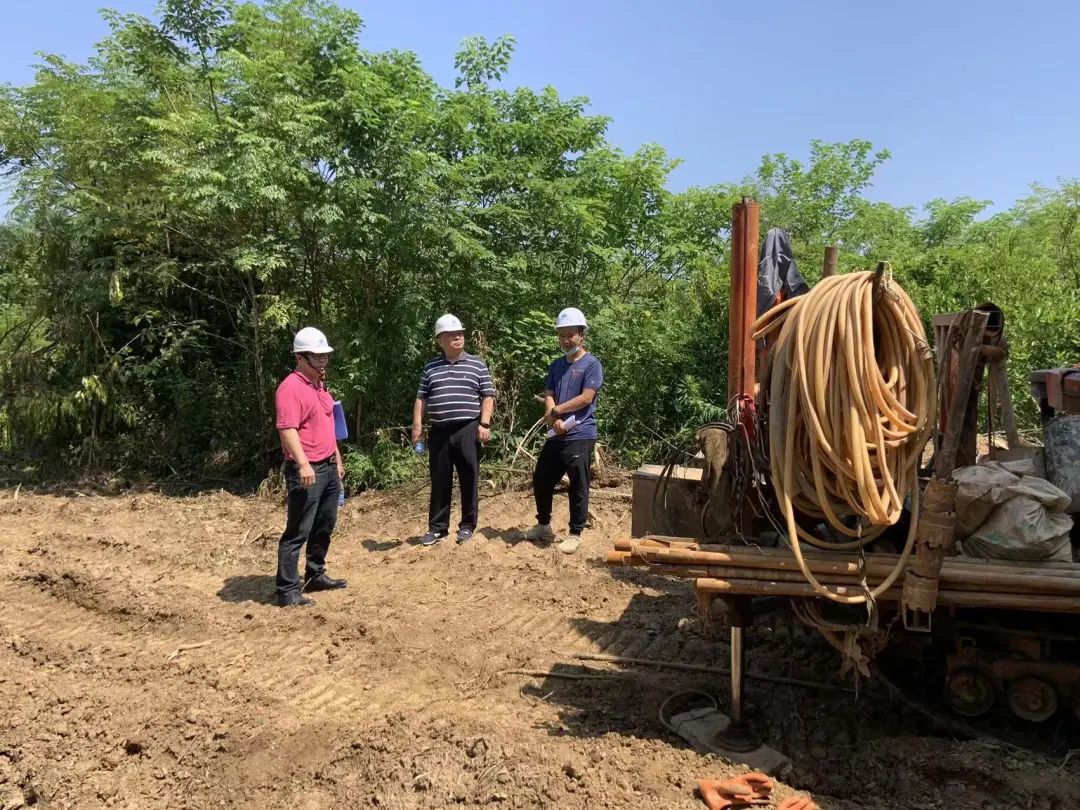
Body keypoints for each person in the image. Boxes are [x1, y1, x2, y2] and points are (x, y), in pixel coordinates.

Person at [273, 327, 348, 607]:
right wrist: (303, 465)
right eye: (316, 357)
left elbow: (328, 424)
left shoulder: (319, 385)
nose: (322, 361)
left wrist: (337, 458)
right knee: (298, 530)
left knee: (324, 525)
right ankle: (287, 590)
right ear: (300, 358)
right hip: (307, 469)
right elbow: (287, 429)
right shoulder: (289, 388)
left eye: (324, 356)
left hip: (328, 466)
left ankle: (315, 574)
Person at [525, 307, 604, 554]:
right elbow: (549, 393)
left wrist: (557, 410)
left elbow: (586, 398)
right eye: (561, 335)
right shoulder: (557, 365)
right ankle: (543, 526)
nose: (565, 340)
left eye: (570, 335)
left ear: (582, 335)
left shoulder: (592, 365)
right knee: (541, 478)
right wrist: (553, 417)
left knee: (578, 484)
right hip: (557, 432)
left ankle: (575, 533)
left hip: (580, 433)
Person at [412, 314, 496, 546]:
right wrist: (417, 425)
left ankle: (467, 525)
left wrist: (484, 424)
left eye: (460, 333)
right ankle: (437, 528)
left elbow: (488, 396)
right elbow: (421, 398)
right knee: (440, 478)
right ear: (440, 340)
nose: (458, 337)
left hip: (468, 428)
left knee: (469, 477)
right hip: (439, 431)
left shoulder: (477, 364)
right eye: (452, 335)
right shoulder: (431, 367)